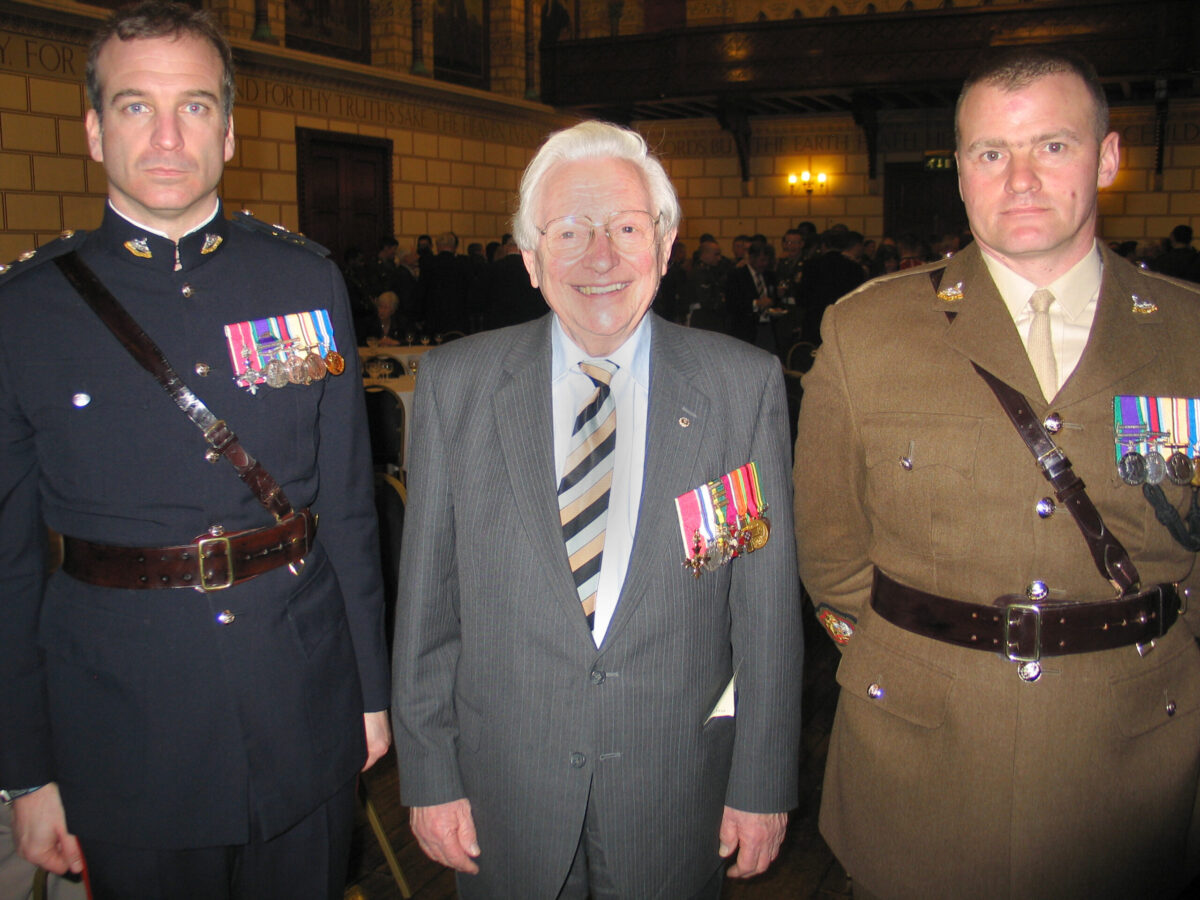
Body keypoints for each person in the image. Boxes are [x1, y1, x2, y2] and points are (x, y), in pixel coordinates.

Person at [0, 3, 391, 897]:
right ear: (96, 132)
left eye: (197, 106)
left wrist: (369, 693)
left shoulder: (302, 280)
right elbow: (9, 559)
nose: (169, 135)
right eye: (137, 106)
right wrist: (26, 768)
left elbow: (350, 507)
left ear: (229, 130)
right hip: (121, 725)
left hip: (299, 694)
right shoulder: (24, 312)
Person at [794, 48, 1200, 900]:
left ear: (1108, 157)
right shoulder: (868, 333)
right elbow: (830, 558)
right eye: (989, 153)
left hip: (1134, 758)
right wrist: (900, 665)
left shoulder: (1188, 337)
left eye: (1052, 146)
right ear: (961, 173)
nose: (1019, 178)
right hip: (922, 758)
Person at [392, 120, 803, 899]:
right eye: (570, 231)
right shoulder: (457, 386)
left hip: (675, 794)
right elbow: (428, 608)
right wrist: (430, 773)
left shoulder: (738, 389)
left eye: (624, 228)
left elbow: (764, 608)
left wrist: (763, 781)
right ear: (530, 258)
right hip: (501, 794)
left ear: (667, 245)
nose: (601, 257)